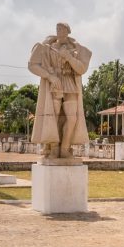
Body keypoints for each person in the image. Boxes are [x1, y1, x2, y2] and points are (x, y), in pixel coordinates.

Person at [28, 22, 91, 160]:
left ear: (68, 31)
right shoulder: (47, 47)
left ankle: (65, 147)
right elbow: (32, 65)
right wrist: (49, 76)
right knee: (53, 115)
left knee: (72, 118)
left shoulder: (76, 49)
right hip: (55, 82)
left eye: (62, 29)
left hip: (69, 81)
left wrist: (69, 57)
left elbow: (81, 69)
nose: (59, 31)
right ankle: (54, 147)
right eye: (57, 28)